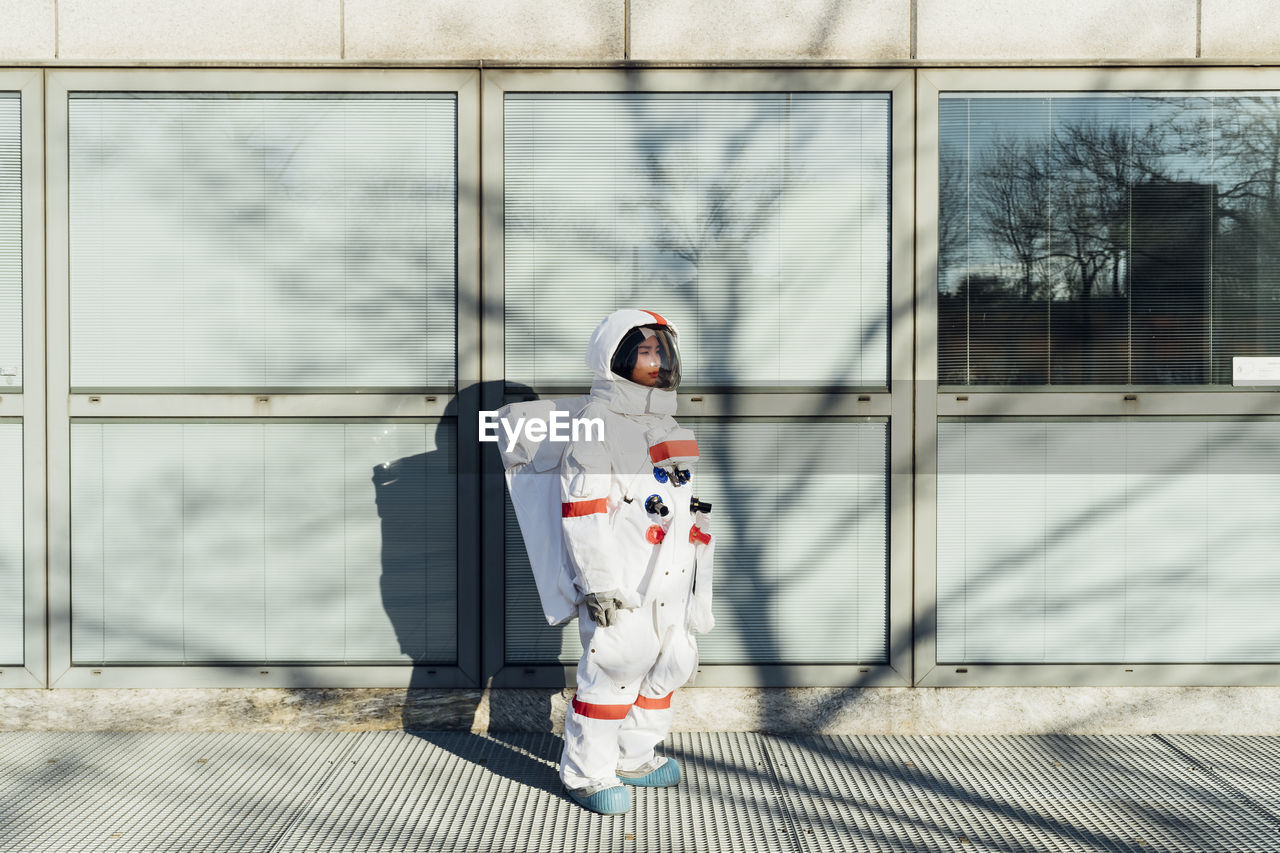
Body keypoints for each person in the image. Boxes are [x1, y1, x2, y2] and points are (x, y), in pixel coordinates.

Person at [557, 308, 715, 816]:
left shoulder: (668, 424)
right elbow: (581, 513)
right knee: (614, 669)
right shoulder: (594, 425)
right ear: (616, 359)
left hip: (671, 575)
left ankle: (635, 755)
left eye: (661, 351)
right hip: (623, 577)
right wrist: (598, 583)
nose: (656, 360)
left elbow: (679, 499)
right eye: (644, 351)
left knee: (670, 663)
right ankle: (586, 773)